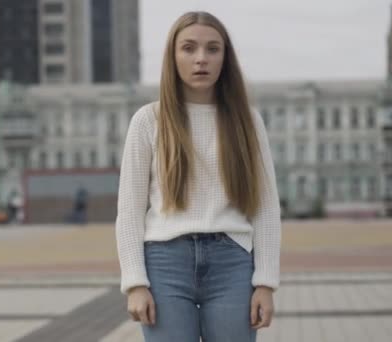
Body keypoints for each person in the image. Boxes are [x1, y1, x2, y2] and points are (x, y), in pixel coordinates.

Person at [115, 11, 281, 342]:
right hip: (164, 262)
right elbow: (129, 210)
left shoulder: (247, 121)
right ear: (173, 56)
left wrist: (265, 282)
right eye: (189, 48)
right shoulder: (149, 120)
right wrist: (135, 283)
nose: (201, 59)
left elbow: (266, 208)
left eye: (213, 49)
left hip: (232, 261)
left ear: (225, 57)